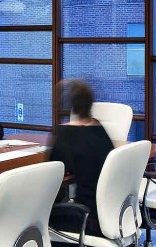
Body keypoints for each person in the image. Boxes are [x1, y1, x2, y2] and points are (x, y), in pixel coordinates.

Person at [48, 80, 114, 236]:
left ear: (71, 106)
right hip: (111, 213)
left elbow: (53, 172)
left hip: (87, 218)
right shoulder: (100, 129)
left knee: (36, 213)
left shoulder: (66, 133)